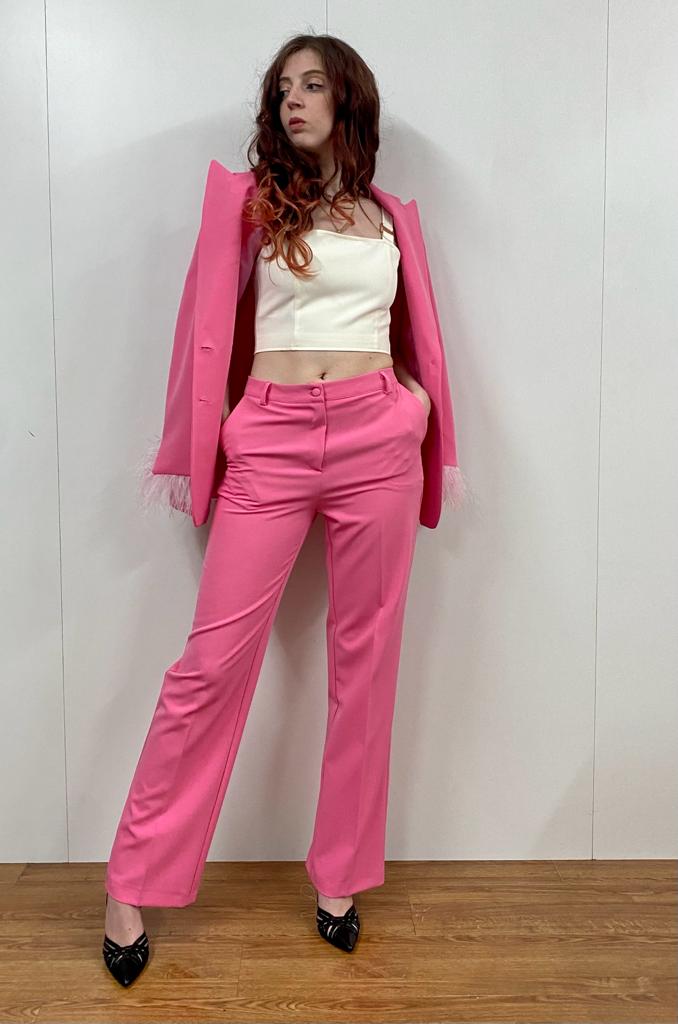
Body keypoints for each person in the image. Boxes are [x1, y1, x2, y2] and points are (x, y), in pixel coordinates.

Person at [102, 32, 466, 987]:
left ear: (349, 101)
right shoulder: (251, 203)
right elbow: (203, 325)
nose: (293, 100)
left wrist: (414, 406)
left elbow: (415, 331)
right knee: (210, 666)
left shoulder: (391, 217)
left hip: (377, 440)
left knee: (366, 666)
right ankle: (131, 880)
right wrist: (226, 424)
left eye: (312, 85)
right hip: (269, 438)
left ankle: (340, 876)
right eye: (282, 89)